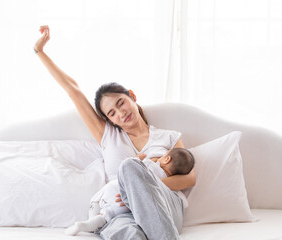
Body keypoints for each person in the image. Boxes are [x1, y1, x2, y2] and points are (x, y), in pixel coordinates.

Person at [34, 25, 196, 240]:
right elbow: (73, 90)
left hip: (164, 205)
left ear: (132, 96)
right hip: (120, 213)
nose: (121, 113)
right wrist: (40, 52)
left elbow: (189, 178)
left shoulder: (169, 137)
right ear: (108, 119)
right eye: (112, 113)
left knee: (131, 167)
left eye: (121, 103)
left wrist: (139, 190)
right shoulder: (108, 135)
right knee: (128, 232)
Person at [65, 148, 195, 236]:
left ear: (166, 159)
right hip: (133, 209)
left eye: (163, 155)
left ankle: (89, 223)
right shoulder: (173, 186)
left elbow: (134, 167)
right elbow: (184, 202)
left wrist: (138, 159)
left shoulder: (150, 165)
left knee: (103, 211)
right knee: (116, 223)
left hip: (116, 195)